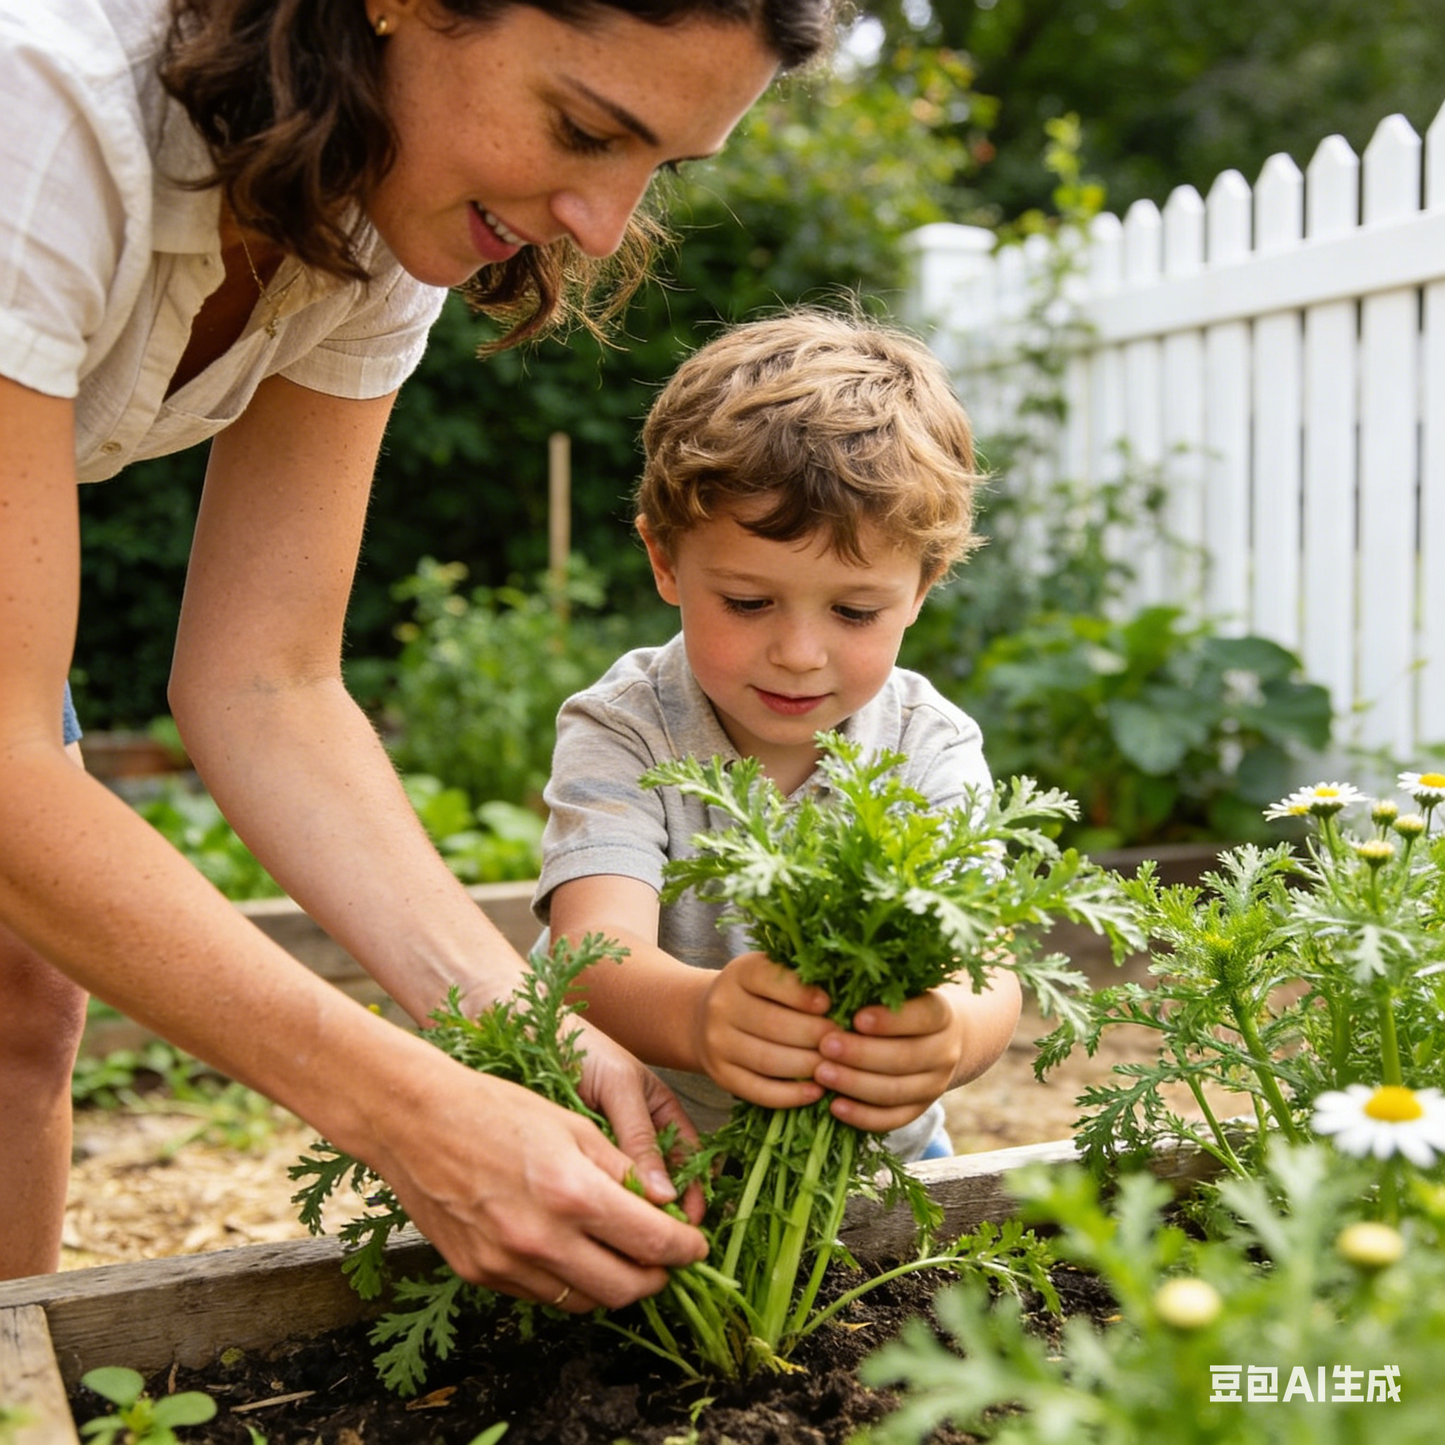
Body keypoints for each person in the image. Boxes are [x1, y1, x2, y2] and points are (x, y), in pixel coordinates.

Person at [0, 0, 841, 1302]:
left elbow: (266, 679)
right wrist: (405, 1107)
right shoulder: (42, 113)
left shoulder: (373, 211)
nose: (606, 223)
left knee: (18, 1001)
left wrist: (517, 1027)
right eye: (581, 127)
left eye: (658, 166)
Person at [534, 309, 1023, 1162]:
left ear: (922, 587)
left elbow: (987, 972)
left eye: (854, 610)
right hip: (662, 1158)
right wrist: (698, 1015)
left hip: (877, 1169)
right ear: (663, 561)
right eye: (748, 603)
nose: (799, 655)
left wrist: (946, 1035)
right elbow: (590, 953)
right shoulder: (625, 727)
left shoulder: (930, 744)